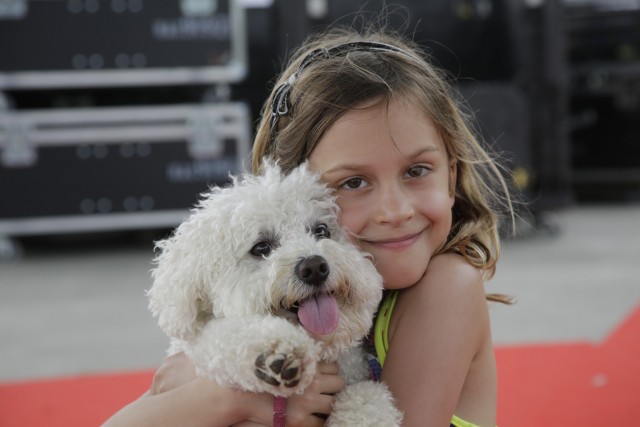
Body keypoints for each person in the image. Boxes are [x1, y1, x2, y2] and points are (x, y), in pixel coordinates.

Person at [103, 24, 515, 427]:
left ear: (451, 175)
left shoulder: (447, 286)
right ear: (295, 193)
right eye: (353, 182)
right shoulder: (266, 325)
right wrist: (221, 397)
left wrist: (236, 401)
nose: (395, 210)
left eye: (417, 170)